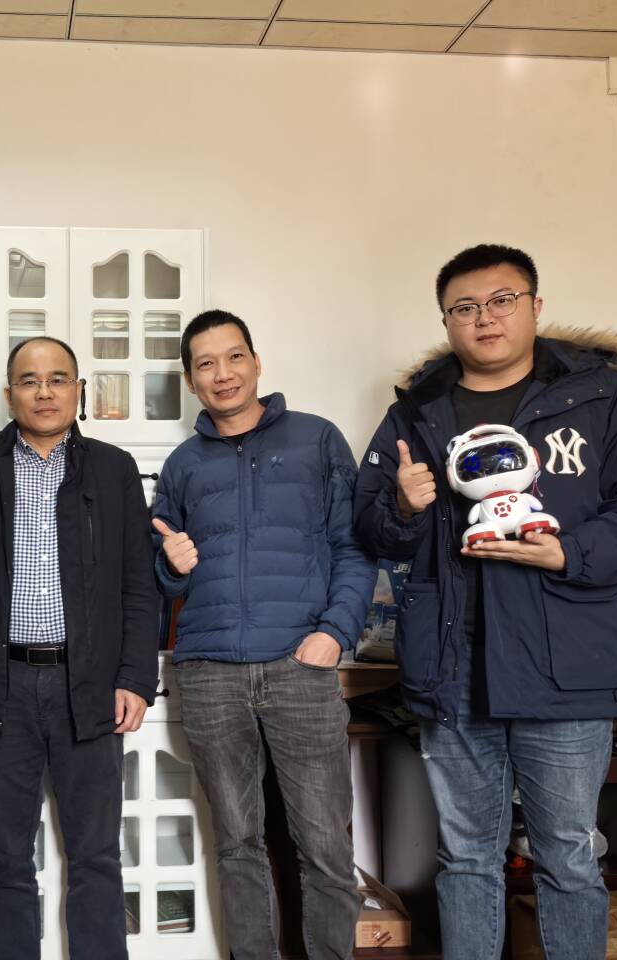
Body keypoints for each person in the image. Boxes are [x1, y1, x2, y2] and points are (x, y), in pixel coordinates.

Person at [353, 243, 617, 960]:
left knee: (567, 854)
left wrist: (571, 552)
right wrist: (404, 507)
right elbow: (371, 531)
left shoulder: (602, 399)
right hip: (452, 669)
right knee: (465, 858)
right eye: (465, 307)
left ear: (535, 306)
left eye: (502, 300)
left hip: (566, 668)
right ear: (447, 321)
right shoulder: (415, 413)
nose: (485, 318)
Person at [152, 309, 372, 960]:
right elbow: (161, 574)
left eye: (234, 357)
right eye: (205, 364)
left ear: (256, 363)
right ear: (190, 380)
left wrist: (335, 633)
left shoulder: (317, 440)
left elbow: (355, 547)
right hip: (208, 671)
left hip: (300, 664)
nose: (222, 374)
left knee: (325, 845)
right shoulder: (182, 464)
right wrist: (170, 565)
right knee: (237, 844)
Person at [0, 335, 159, 960]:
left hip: (88, 686)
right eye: (29, 381)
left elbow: (138, 583)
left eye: (58, 379)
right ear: (9, 394)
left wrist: (135, 678)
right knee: (4, 857)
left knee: (96, 855)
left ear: (78, 390)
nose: (44, 392)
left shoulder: (113, 470)